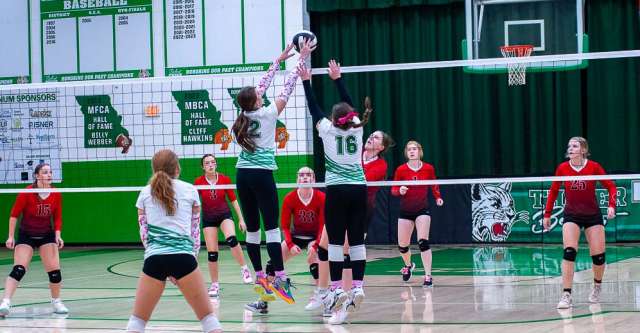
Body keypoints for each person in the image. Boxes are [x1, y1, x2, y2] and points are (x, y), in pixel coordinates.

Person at [231, 40, 315, 304]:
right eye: (258, 94)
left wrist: (278, 59)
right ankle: (280, 278)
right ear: (256, 101)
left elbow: (263, 85)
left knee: (253, 233)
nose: (261, 93)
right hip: (261, 175)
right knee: (273, 231)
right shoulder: (267, 114)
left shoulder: (241, 115)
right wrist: (300, 58)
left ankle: (261, 280)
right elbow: (288, 85)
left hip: (242, 175)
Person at [300, 60, 371, 325]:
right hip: (358, 189)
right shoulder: (358, 127)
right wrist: (338, 79)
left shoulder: (327, 130)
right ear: (351, 117)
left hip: (337, 191)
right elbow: (349, 105)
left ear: (333, 119)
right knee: (356, 243)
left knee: (334, 243)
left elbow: (312, 108)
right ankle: (359, 286)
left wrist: (307, 81)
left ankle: (338, 288)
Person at [126, 149, 221, 333]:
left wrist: (154, 255)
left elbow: (144, 233)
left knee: (136, 322)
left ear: (154, 169)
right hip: (184, 258)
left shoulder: (145, 193)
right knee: (209, 321)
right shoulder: (191, 190)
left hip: (154, 258)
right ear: (177, 168)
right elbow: (195, 232)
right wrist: (189, 261)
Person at [543, 136, 616, 309]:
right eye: (569, 146)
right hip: (572, 215)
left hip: (593, 215)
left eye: (575, 146)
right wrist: (547, 214)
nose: (571, 148)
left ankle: (597, 286)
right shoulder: (562, 168)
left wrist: (611, 205)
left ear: (583, 150)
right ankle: (566, 294)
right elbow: (554, 191)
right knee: (569, 252)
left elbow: (611, 186)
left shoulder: (594, 167)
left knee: (598, 257)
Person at [245, 167, 326, 314]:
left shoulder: (321, 197)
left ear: (314, 179)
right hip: (295, 236)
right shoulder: (290, 198)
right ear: (297, 180)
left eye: (308, 175)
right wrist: (290, 244)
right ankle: (263, 301)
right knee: (272, 264)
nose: (305, 178)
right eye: (301, 175)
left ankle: (324, 299)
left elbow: (322, 226)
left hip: (316, 237)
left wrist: (315, 245)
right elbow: (284, 226)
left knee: (315, 261)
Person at [0, 163, 68, 317]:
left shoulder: (56, 194)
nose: (49, 175)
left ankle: (56, 301)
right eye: (45, 172)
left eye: (50, 172)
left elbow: (57, 217)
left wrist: (58, 235)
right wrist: (11, 236)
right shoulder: (26, 193)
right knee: (18, 270)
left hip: (46, 235)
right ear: (37, 176)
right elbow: (14, 215)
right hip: (27, 235)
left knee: (55, 273)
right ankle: (5, 303)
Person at [194, 154, 252, 298]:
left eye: (213, 162)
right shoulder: (199, 182)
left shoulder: (225, 179)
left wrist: (241, 219)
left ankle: (244, 269)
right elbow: (195, 204)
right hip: (208, 218)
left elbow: (234, 201)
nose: (210, 165)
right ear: (203, 167)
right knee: (212, 253)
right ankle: (215, 284)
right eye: (207, 163)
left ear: (216, 164)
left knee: (231, 239)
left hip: (224, 215)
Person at [391, 141, 444, 287]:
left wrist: (438, 197)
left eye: (414, 149)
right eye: (409, 149)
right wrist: (399, 190)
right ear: (406, 153)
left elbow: (434, 184)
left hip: (422, 210)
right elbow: (393, 189)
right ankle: (408, 265)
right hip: (405, 211)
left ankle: (428, 276)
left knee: (423, 241)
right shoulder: (401, 170)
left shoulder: (428, 168)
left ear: (420, 151)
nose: (412, 151)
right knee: (402, 246)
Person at [362, 130, 394, 235]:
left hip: (363, 207)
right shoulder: (355, 154)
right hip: (343, 202)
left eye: (375, 137)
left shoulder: (381, 165)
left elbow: (362, 182)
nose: (370, 138)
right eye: (370, 135)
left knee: (353, 245)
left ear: (381, 147)